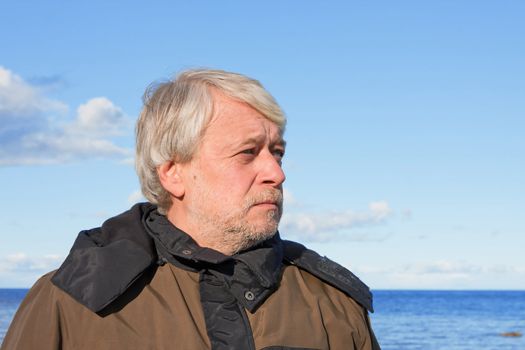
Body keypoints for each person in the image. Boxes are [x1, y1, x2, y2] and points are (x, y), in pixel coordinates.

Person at [1, 69, 381, 350]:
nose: (277, 173)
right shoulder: (72, 301)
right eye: (247, 153)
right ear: (173, 174)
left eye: (277, 152)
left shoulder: (332, 304)